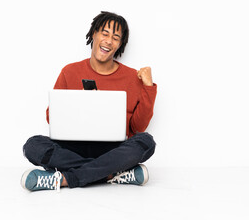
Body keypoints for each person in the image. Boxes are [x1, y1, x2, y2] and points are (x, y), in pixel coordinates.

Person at [21, 11, 157, 192]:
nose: (109, 41)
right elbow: (51, 117)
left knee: (146, 142)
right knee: (33, 146)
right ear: (94, 33)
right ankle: (112, 174)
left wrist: (148, 87)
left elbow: (138, 128)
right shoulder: (70, 71)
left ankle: (65, 179)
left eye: (116, 37)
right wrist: (83, 103)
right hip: (74, 148)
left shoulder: (133, 77)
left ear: (120, 44)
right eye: (105, 33)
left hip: (113, 149)